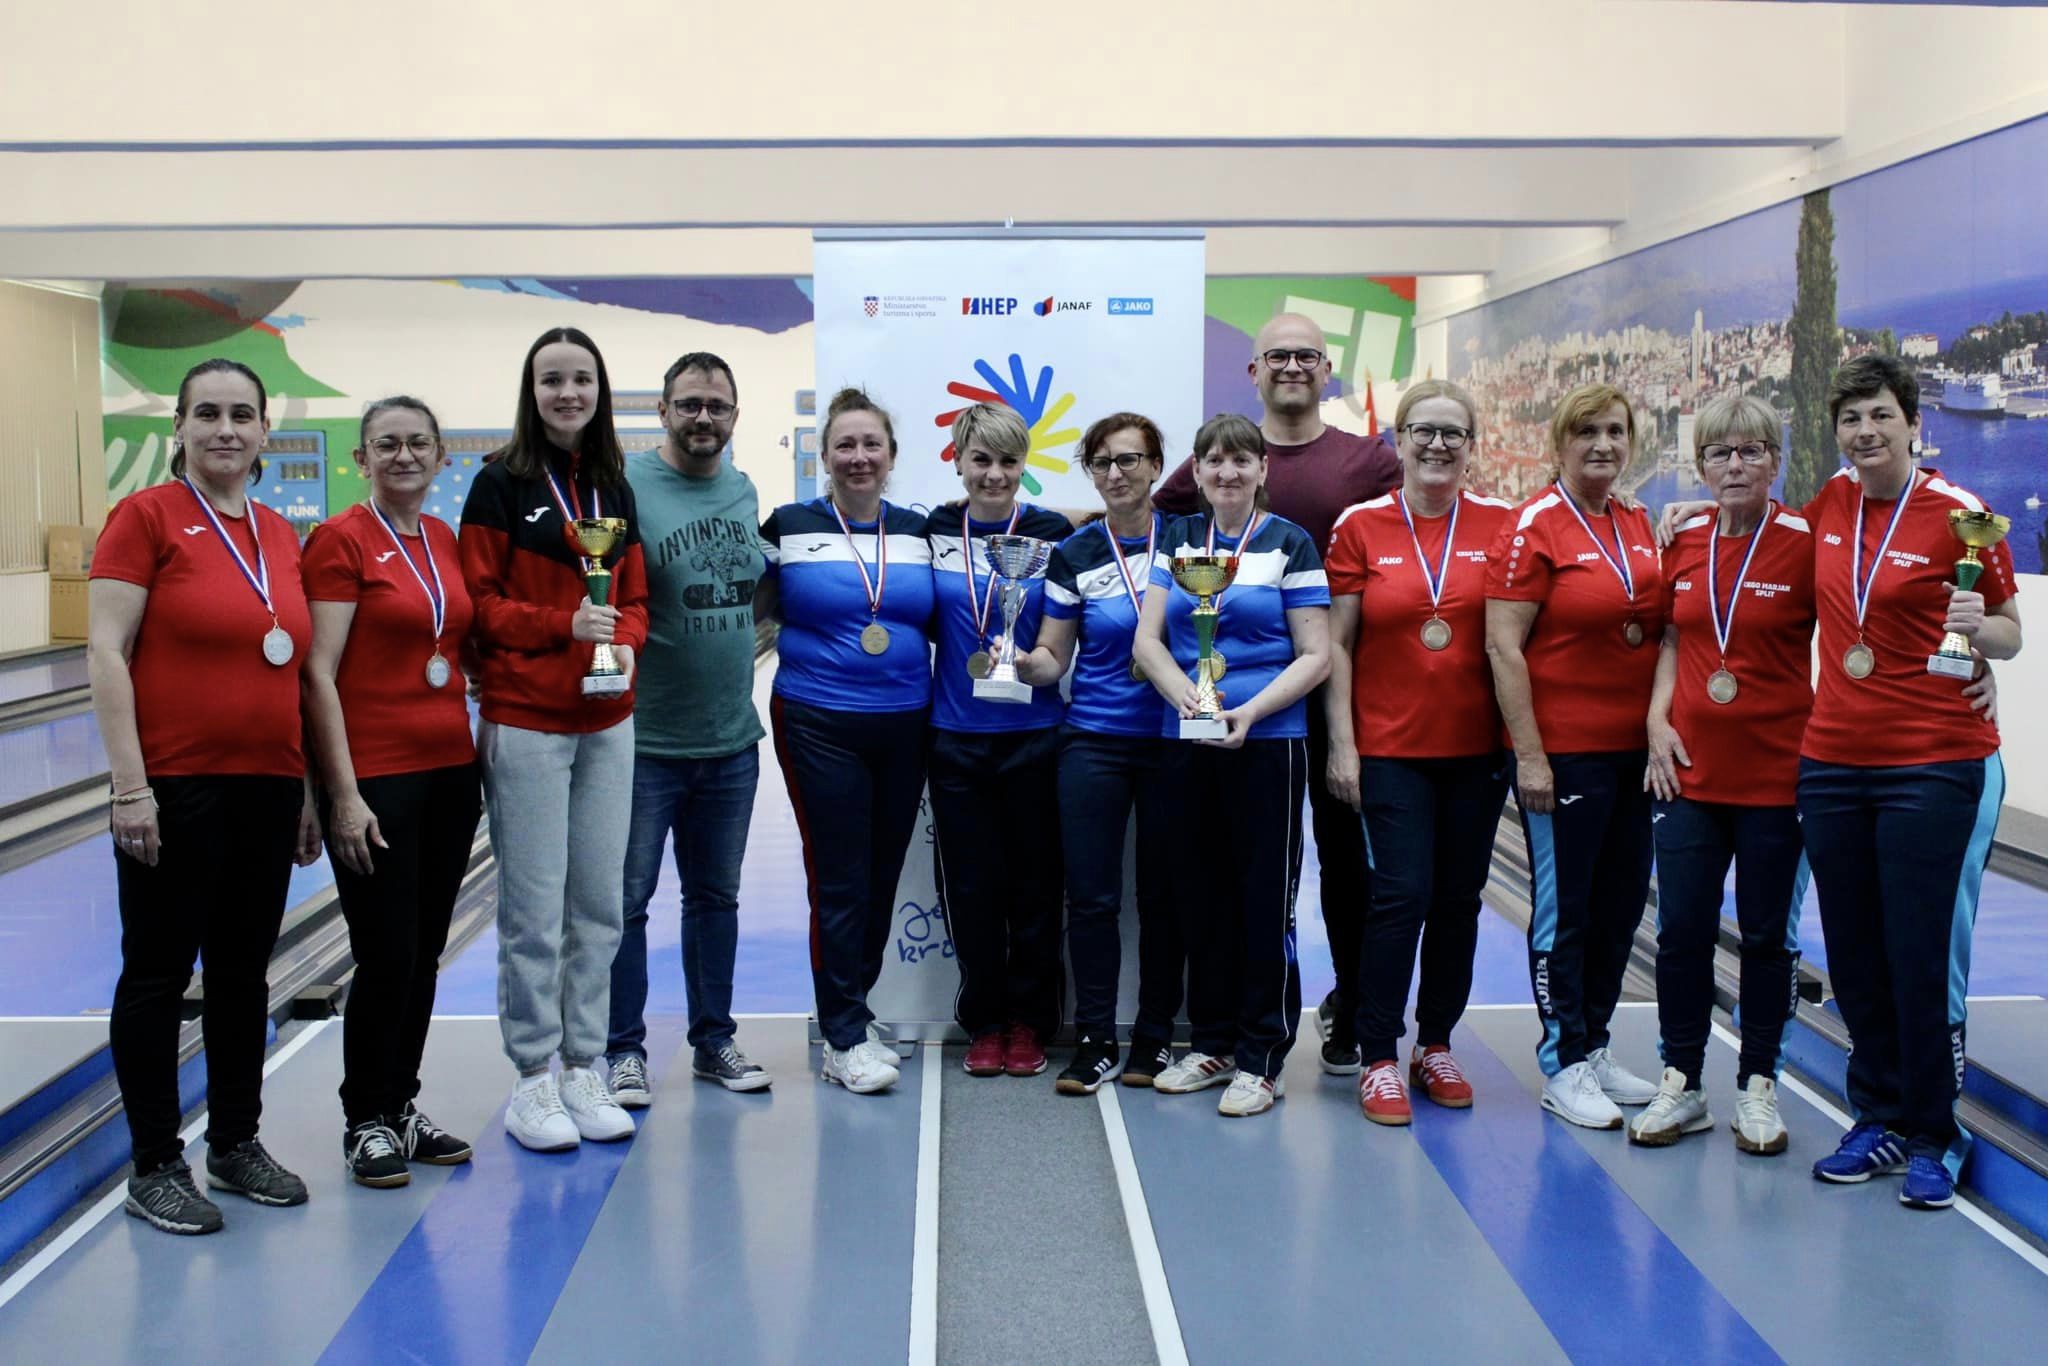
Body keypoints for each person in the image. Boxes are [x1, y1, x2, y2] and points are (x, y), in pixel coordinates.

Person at [89, 358, 319, 1235]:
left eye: (243, 415)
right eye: (208, 414)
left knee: (239, 974)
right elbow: (106, 653)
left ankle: (234, 1142)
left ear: (265, 432)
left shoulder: (278, 532)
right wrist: (129, 786)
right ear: (179, 428)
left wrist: (300, 785)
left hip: (264, 787)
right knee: (156, 973)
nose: (226, 429)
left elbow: (291, 664)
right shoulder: (144, 517)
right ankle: (154, 1163)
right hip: (174, 785)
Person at [1795, 355, 2019, 1210]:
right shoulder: (1827, 507)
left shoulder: (1960, 516)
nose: (1865, 431)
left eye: (1880, 415)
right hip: (1835, 762)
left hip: (1934, 759)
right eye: (1851, 418)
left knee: (1920, 956)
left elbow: (2008, 634)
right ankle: (1877, 1116)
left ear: (1912, 423)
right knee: (1853, 953)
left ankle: (1935, 1132)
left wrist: (1980, 637)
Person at [1155, 313, 1398, 1074]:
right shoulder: (1200, 490)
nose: (1292, 367)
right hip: (1223, 709)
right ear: (1254, 371)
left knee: (1341, 868)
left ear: (1325, 370)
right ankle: (1222, 1037)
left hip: (1329, 689)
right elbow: (1139, 525)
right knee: (1221, 876)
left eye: (1306, 356)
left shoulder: (1368, 461)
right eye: (1277, 356)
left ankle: (1350, 1015)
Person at [460, 327, 647, 1151]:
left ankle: (584, 1062)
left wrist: (622, 637)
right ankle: (532, 1078)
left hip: (608, 721)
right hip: (528, 720)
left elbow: (637, 595)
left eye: (581, 379)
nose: (567, 394)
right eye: (551, 381)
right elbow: (480, 606)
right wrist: (565, 626)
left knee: (599, 906)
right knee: (534, 912)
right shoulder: (498, 484)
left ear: (599, 388)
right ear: (530, 392)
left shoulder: (613, 484)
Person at [302, 396, 481, 1187]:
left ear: (442, 456)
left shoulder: (442, 539)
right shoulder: (341, 540)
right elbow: (317, 673)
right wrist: (339, 794)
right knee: (385, 955)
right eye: (387, 445)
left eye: (418, 443)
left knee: (425, 955)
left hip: (450, 770)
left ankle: (401, 1105)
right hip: (377, 776)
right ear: (362, 459)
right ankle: (363, 1119)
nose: (403, 455)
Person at [1323, 380, 1512, 1125]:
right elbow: (1336, 642)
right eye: (1423, 432)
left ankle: (1435, 1042)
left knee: (1460, 902)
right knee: (1401, 895)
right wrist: (1345, 745)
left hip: (1477, 750)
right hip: (1391, 748)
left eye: (1452, 434)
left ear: (1472, 446)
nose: (1438, 446)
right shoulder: (1360, 526)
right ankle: (1376, 1052)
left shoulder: (1503, 524)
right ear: (1397, 442)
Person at [1133, 414, 1332, 1117]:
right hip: (1182, 737)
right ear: (1198, 470)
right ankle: (1212, 1041)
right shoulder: (1179, 540)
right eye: (1213, 461)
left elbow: (1316, 654)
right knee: (1198, 898)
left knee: (1261, 902)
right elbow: (1149, 641)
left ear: (1262, 470)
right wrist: (1187, 696)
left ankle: (1261, 1055)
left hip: (1268, 743)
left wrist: (1249, 713)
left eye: (1240, 461)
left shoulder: (1290, 543)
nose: (1226, 472)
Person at [1632, 394, 1813, 1153]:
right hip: (1690, 773)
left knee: (1767, 938)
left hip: (1779, 775)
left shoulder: (1806, 543)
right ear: (1698, 464)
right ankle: (1681, 1081)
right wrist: (1654, 725)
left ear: (1774, 460)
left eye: (1750, 451)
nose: (1734, 464)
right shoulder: (1685, 536)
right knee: (1680, 933)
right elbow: (1672, 638)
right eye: (1718, 453)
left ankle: (1759, 1086)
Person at [1483, 383, 1664, 1130]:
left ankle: (1592, 1045)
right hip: (1566, 756)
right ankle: (1561, 1059)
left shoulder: (1638, 521)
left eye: (1615, 432)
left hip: (1636, 756)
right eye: (1586, 431)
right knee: (1567, 913)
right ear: (1560, 443)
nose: (1603, 445)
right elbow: (1503, 646)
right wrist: (1531, 757)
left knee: (1621, 908)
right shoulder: (1534, 527)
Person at [604, 352, 772, 1104]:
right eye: (690, 403)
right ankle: (622, 1051)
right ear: (663, 410)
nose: (704, 417)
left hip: (731, 739)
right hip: (643, 741)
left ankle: (714, 1040)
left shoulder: (743, 489)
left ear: (735, 417)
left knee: (715, 899)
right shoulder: (625, 486)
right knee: (627, 903)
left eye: (718, 405)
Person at [760, 388, 936, 1094]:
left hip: (905, 722)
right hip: (817, 720)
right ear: (825, 455)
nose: (859, 458)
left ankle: (853, 1009)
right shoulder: (788, 525)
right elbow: (743, 606)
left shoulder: (922, 531)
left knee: (881, 876)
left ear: (891, 456)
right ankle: (840, 1034)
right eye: (845, 446)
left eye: (872, 445)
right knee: (838, 877)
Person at [1013, 413, 1183, 1093]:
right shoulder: (1076, 553)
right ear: (1091, 472)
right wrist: (1029, 666)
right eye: (1104, 462)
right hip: (1094, 742)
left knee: (1166, 897)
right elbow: (1057, 655)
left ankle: (1154, 1037)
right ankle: (1094, 1038)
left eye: (1131, 459)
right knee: (1090, 899)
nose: (1118, 473)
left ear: (1155, 465)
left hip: (1175, 740)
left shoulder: (1189, 539)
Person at [926, 403, 1073, 1078]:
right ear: (958, 460)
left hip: (1035, 736)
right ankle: (984, 1020)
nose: (994, 473)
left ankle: (1031, 1022)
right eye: (981, 459)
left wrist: (1041, 663)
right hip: (955, 740)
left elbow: (1061, 632)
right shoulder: (933, 531)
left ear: (1025, 466)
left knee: (1036, 892)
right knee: (974, 891)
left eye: (1008, 461)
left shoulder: (1049, 534)